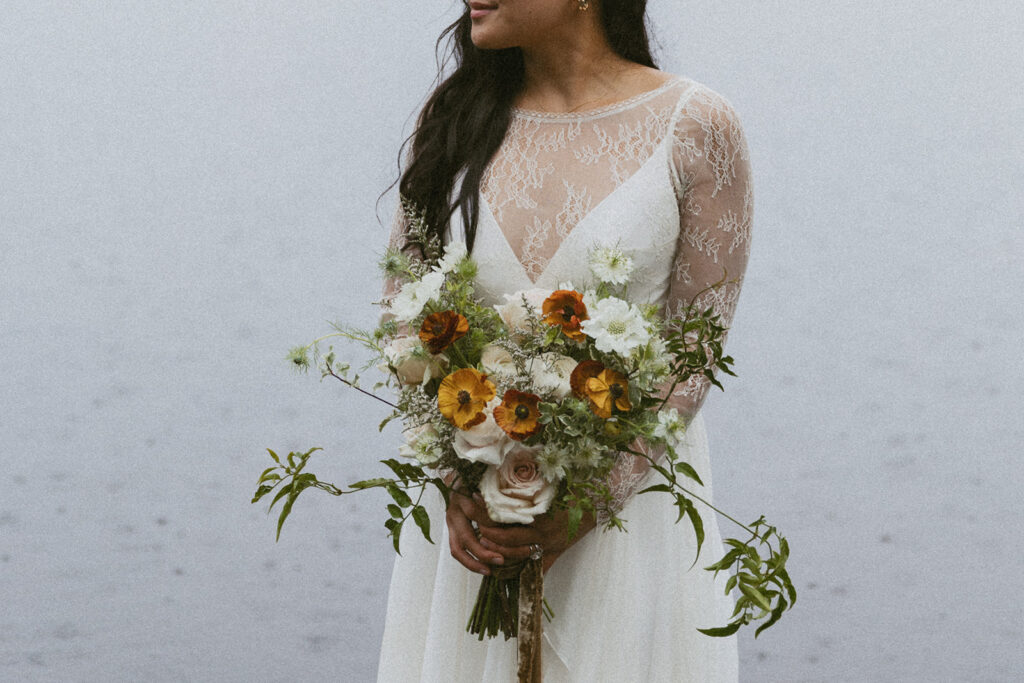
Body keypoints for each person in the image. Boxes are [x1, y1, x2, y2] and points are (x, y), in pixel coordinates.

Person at [377, 1, 750, 680]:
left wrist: (588, 505)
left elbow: (694, 351)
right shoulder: (454, 122)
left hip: (627, 534)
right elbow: (404, 318)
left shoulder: (695, 127)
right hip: (477, 537)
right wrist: (456, 481)